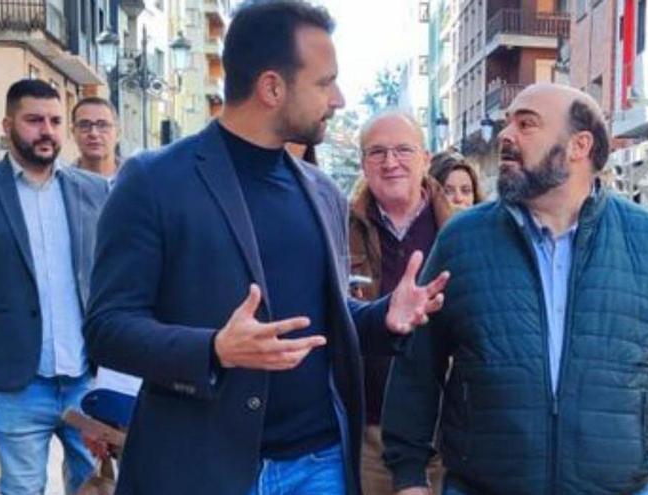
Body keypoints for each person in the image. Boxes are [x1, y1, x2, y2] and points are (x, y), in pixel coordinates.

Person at [83, 2, 448, 494]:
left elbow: (319, 325)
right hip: (204, 467)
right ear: (272, 87)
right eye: (324, 82)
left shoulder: (322, 192)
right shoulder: (153, 181)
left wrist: (384, 316)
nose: (338, 98)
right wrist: (213, 349)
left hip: (319, 465)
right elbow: (107, 329)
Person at [381, 83, 648, 495]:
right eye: (507, 123)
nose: (506, 136)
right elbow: (418, 367)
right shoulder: (462, 240)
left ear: (579, 145)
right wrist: (409, 476)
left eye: (526, 124)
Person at [0, 79, 107, 495]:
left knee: (98, 489)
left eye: (54, 121)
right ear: (7, 124)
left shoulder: (93, 192)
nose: (46, 131)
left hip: (86, 382)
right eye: (34, 120)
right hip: (15, 384)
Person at [349, 111, 452, 494]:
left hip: (447, 436)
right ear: (363, 163)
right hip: (369, 433)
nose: (390, 162)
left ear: (426, 158)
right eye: (377, 152)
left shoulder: (464, 232)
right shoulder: (335, 229)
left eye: (403, 150)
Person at [71, 97, 119, 182]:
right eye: (84, 125)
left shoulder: (138, 179)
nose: (94, 133)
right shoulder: (62, 184)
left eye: (103, 125)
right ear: (73, 132)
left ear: (117, 132)